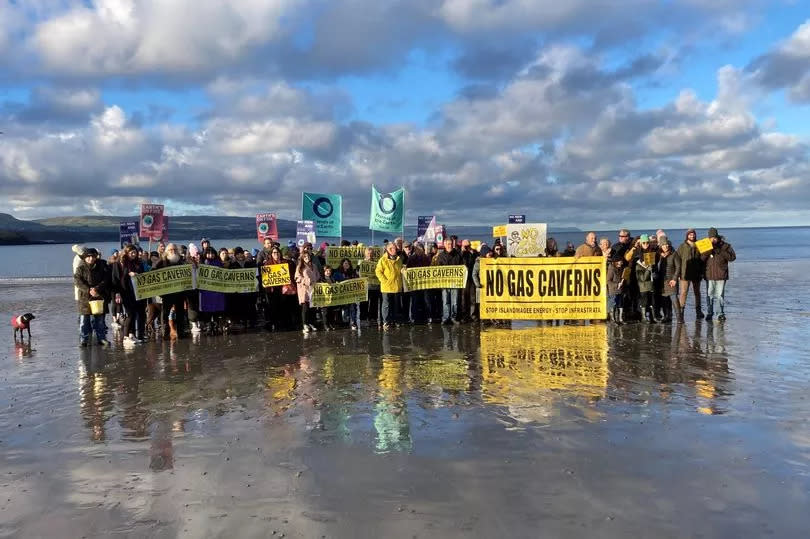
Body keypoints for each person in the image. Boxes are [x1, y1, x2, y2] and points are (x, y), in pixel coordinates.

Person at [74, 248, 110, 347]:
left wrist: (97, 289)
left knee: (100, 320)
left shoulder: (102, 266)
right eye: (88, 256)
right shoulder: (80, 268)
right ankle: (84, 339)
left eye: (92, 256)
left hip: (99, 296)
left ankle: (101, 338)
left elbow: (106, 279)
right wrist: (89, 289)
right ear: (85, 258)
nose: (90, 258)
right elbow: (78, 281)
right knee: (84, 321)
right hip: (85, 298)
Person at [113, 244, 147, 345]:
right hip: (124, 292)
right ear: (126, 253)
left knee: (135, 313)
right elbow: (115, 280)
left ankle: (132, 334)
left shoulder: (138, 263)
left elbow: (142, 275)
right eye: (131, 252)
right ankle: (126, 336)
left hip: (136, 292)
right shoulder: (119, 263)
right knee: (130, 314)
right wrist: (117, 293)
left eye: (135, 252)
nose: (133, 254)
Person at [702, 228, 736, 322]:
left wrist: (719, 250)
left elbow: (732, 257)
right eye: (711, 238)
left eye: (714, 237)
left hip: (721, 274)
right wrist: (708, 250)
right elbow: (701, 259)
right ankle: (709, 313)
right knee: (710, 295)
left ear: (717, 237)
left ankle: (720, 313)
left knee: (720, 295)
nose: (713, 240)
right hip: (709, 275)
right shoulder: (705, 246)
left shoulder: (725, 246)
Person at [154, 243, 187, 339]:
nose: (173, 251)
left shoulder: (181, 260)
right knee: (165, 313)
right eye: (170, 250)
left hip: (180, 292)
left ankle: (181, 332)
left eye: (174, 249)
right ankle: (165, 333)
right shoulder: (162, 260)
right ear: (166, 251)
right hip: (167, 293)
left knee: (180, 313)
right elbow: (153, 271)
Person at [676, 228, 705, 320]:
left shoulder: (699, 245)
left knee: (697, 293)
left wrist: (702, 272)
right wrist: (678, 273)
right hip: (685, 273)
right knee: (683, 293)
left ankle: (698, 311)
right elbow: (677, 260)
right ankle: (681, 312)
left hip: (697, 273)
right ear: (687, 236)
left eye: (693, 234)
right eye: (690, 234)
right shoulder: (682, 246)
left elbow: (703, 259)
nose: (692, 236)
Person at [375, 241, 404, 330]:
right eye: (391, 248)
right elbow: (378, 271)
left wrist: (404, 270)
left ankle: (395, 320)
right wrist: (384, 281)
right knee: (386, 305)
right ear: (387, 250)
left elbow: (401, 270)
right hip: (387, 287)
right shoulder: (383, 260)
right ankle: (386, 322)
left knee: (396, 305)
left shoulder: (399, 259)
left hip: (397, 286)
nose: (393, 250)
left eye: (394, 248)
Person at [435, 238, 463, 325]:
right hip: (445, 283)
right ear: (444, 244)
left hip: (455, 282)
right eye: (447, 244)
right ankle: (446, 317)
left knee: (455, 301)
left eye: (450, 244)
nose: (449, 245)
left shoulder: (458, 255)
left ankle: (453, 317)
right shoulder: (441, 255)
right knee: (446, 301)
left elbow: (462, 266)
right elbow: (437, 269)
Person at [655, 238, 681, 323]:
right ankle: (667, 316)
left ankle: (679, 318)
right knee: (665, 299)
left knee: (674, 298)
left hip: (671, 280)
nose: (665, 246)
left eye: (666, 244)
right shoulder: (658, 255)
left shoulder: (674, 254)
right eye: (663, 245)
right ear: (660, 246)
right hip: (661, 281)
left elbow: (678, 267)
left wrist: (674, 279)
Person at [295, 251, 320, 333]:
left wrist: (316, 281)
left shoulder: (314, 266)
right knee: (305, 308)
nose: (307, 257)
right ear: (302, 258)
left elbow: (317, 275)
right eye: (305, 256)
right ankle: (305, 324)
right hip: (304, 290)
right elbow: (297, 278)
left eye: (308, 256)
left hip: (313, 289)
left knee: (312, 308)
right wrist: (306, 281)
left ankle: (311, 323)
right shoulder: (300, 267)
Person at [634, 235, 657, 323]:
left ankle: (652, 316)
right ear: (641, 244)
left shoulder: (653, 252)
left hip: (651, 281)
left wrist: (654, 271)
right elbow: (638, 271)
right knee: (644, 299)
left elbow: (655, 266)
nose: (646, 244)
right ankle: (644, 317)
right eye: (644, 243)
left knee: (652, 299)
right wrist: (648, 269)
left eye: (647, 242)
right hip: (642, 279)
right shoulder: (638, 253)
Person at [335, 258, 360, 330]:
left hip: (351, 295)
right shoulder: (338, 273)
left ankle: (353, 322)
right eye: (345, 263)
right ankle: (345, 321)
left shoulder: (352, 273)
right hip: (342, 295)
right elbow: (334, 281)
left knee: (353, 307)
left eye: (348, 264)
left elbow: (357, 280)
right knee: (345, 309)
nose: (347, 265)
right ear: (342, 264)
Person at [607, 257, 627, 324]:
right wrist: (616, 284)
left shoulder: (621, 268)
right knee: (613, 305)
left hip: (620, 290)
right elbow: (608, 281)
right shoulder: (611, 269)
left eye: (621, 261)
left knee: (620, 305)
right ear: (616, 262)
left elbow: (623, 278)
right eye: (620, 261)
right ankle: (613, 320)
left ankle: (620, 319)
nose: (622, 262)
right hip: (613, 290)